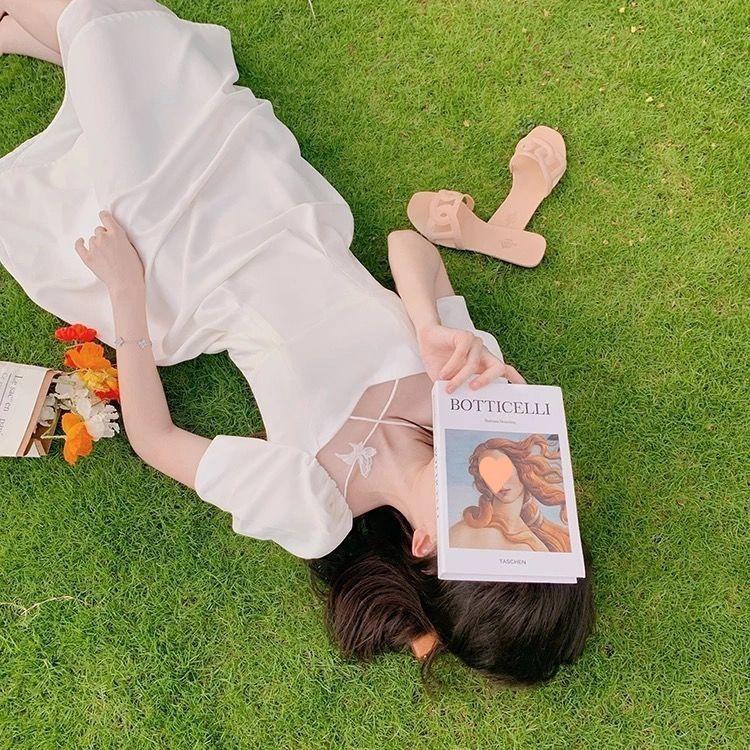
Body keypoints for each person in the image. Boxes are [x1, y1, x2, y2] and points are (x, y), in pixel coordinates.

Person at [0, 0, 593, 685]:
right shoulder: (467, 394)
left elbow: (157, 441)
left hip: (180, 264)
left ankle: (57, 45)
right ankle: (48, 44)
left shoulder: (316, 506)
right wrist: (431, 327)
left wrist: (125, 291)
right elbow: (408, 245)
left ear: (426, 547)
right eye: (531, 505)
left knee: (104, 38)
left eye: (485, 519)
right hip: (268, 190)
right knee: (133, 46)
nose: (501, 486)